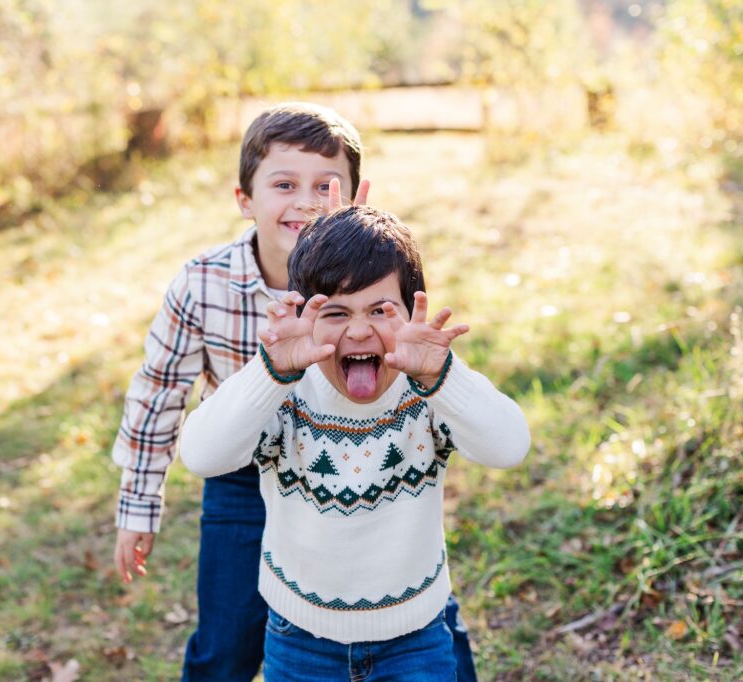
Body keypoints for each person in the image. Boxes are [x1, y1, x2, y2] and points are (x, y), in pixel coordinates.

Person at [110, 102, 477, 680]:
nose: (306, 200)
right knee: (228, 638)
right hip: (241, 470)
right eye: (284, 184)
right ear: (244, 199)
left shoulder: (380, 274)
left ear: (358, 200)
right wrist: (138, 503)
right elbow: (158, 393)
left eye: (325, 185)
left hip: (357, 462)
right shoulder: (203, 284)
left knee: (427, 616)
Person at [178, 204, 530, 681]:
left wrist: (444, 376)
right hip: (300, 637)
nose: (359, 330)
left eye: (380, 311)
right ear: (303, 313)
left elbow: (510, 446)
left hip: (416, 638)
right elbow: (200, 455)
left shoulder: (427, 391)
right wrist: (269, 373)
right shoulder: (283, 393)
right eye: (337, 312)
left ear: (411, 311)